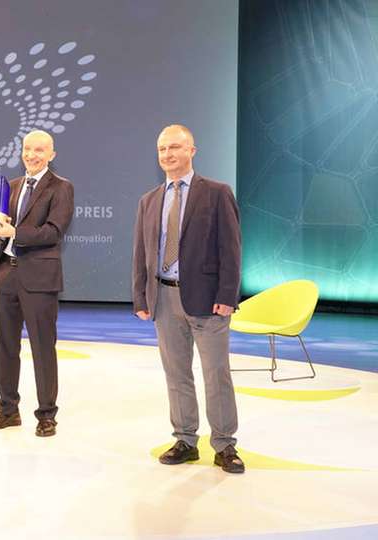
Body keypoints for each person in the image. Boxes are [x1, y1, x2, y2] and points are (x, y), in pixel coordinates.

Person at [132, 124, 244, 473]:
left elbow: (231, 249)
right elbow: (142, 253)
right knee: (176, 373)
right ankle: (185, 439)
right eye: (162, 149)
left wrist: (228, 294)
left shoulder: (216, 193)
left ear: (192, 151)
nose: (167, 155)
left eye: (175, 148)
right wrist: (141, 296)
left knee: (216, 374)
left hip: (209, 301)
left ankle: (224, 445)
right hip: (164, 298)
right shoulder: (149, 200)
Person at [0, 130, 74, 437]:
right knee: (6, 347)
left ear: (52, 155)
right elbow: (6, 230)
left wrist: (14, 234)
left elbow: (53, 232)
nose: (31, 155)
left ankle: (46, 415)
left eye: (39, 150)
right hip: (6, 274)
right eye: (27, 149)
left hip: (39, 279)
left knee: (42, 348)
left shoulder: (61, 188)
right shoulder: (11, 186)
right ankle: (7, 410)